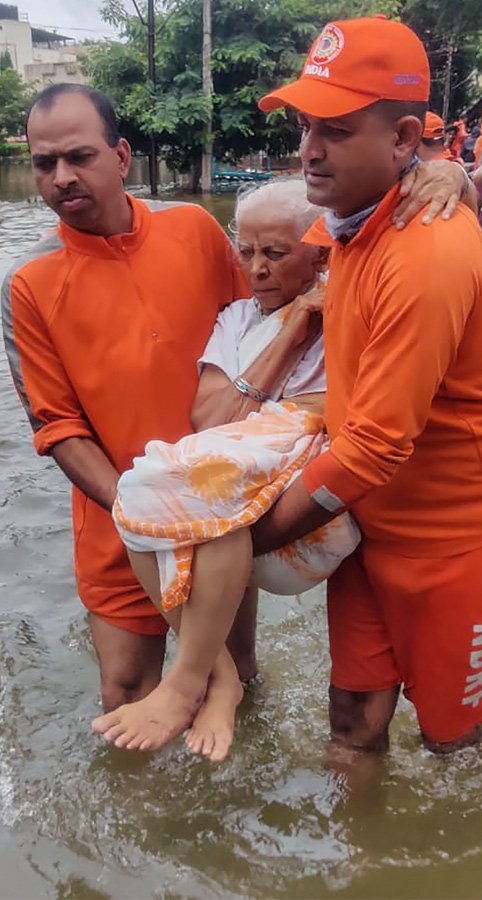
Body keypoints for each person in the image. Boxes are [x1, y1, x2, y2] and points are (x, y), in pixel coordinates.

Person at [2, 83, 471, 746]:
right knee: (126, 694)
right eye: (44, 162)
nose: (60, 177)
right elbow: (57, 428)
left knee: (241, 680)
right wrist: (150, 518)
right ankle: (140, 842)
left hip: (227, 514)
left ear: (122, 156)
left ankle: (229, 823)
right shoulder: (28, 282)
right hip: (119, 529)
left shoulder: (192, 229)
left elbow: (274, 301)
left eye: (78, 156)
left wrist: (441, 172)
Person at [251, 16, 482, 756]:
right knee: (350, 719)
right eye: (307, 124)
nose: (309, 147)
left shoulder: (427, 250)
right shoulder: (348, 222)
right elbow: (256, 268)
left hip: (459, 542)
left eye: (337, 129)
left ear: (406, 139)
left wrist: (238, 538)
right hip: (365, 528)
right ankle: (361, 868)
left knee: (453, 740)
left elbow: (377, 443)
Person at [91, 179, 354, 763]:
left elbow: (351, 413)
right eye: (246, 252)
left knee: (201, 488)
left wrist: (453, 175)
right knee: (137, 496)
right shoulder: (238, 318)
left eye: (275, 253)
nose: (255, 269)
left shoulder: (355, 308)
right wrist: (289, 333)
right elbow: (207, 419)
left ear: (320, 252)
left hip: (308, 525)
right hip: (236, 502)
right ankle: (222, 676)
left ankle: (189, 681)